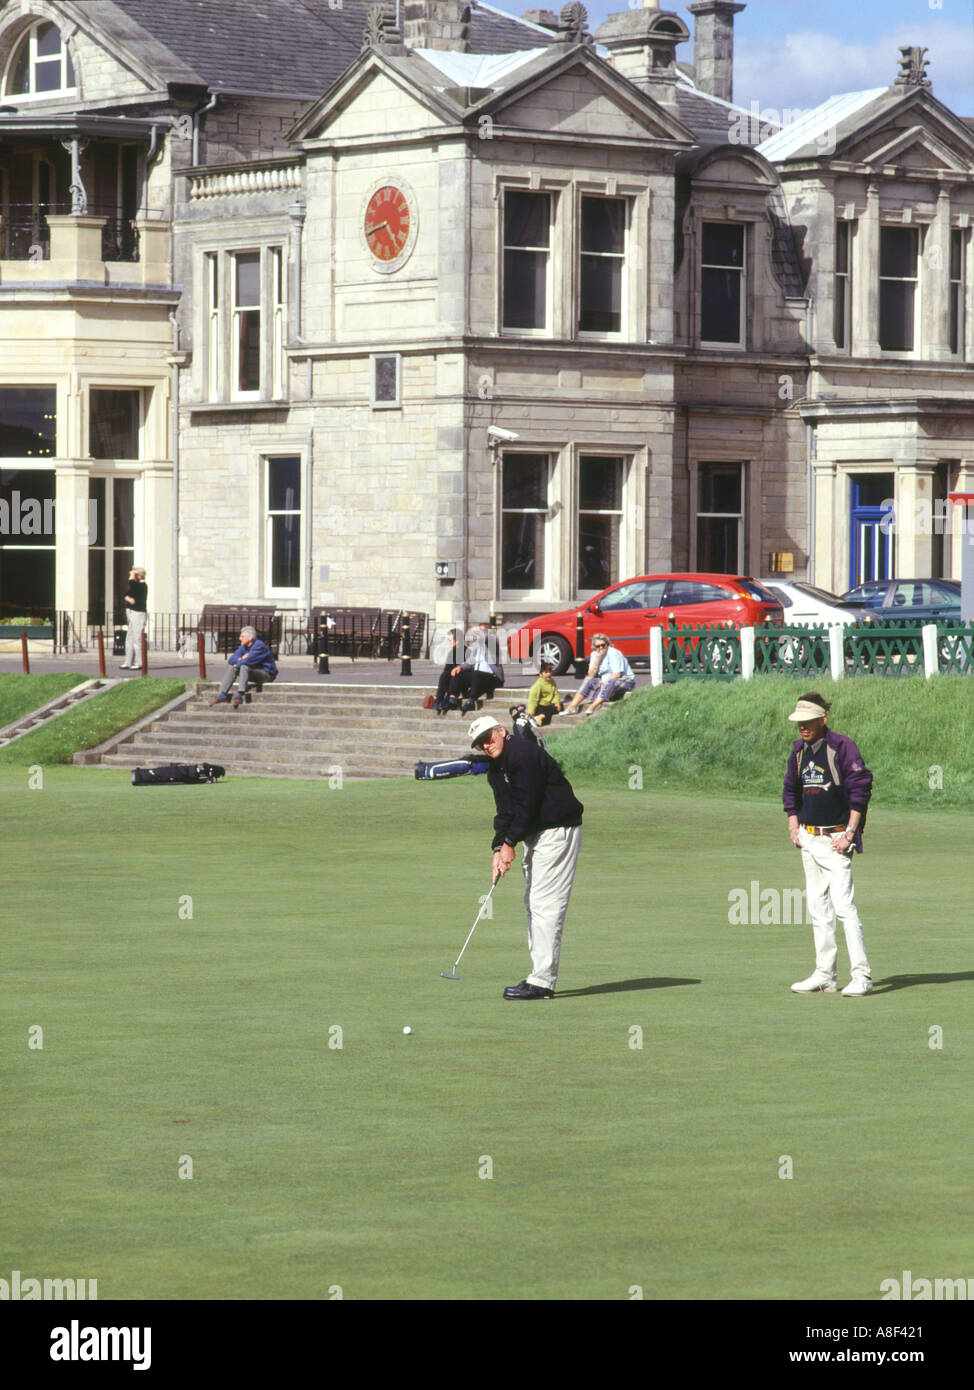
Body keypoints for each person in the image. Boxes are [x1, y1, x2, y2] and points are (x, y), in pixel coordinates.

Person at [469, 714, 583, 1000]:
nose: (485, 745)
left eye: (487, 738)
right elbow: (505, 812)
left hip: (557, 830)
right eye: (479, 743)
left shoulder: (522, 753)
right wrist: (498, 847)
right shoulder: (495, 770)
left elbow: (527, 803)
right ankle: (539, 975)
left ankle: (543, 981)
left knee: (545, 903)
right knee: (533, 902)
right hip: (537, 834)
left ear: (500, 731)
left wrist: (510, 842)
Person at [782, 693, 873, 997]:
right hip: (809, 838)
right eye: (799, 723)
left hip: (836, 839)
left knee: (845, 908)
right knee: (818, 909)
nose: (803, 728)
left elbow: (861, 788)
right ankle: (825, 975)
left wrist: (850, 832)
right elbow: (790, 789)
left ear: (823, 720)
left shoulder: (842, 747)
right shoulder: (798, 751)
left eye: (808, 722)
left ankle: (861, 976)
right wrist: (793, 824)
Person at [561, 633, 634, 716]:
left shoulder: (614, 653)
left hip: (624, 680)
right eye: (598, 646)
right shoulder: (594, 654)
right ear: (594, 647)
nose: (601, 648)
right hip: (605, 681)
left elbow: (617, 674)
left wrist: (604, 683)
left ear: (607, 644)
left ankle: (592, 706)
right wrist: (598, 658)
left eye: (603, 645)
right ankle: (572, 707)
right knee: (588, 679)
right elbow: (591, 674)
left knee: (611, 682)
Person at [209, 626, 278, 708]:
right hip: (253, 672)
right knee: (232, 667)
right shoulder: (243, 646)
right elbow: (231, 660)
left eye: (242, 636)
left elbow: (249, 661)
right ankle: (222, 695)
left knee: (244, 665)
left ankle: (240, 695)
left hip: (267, 674)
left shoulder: (259, 646)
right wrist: (241, 658)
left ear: (250, 638)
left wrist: (240, 661)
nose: (239, 638)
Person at [120, 567, 147, 671]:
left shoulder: (142, 585)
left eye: (135, 575)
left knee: (137, 638)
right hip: (131, 612)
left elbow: (131, 582)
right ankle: (128, 662)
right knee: (129, 637)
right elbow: (126, 595)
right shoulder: (136, 587)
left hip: (138, 613)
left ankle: (139, 662)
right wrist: (128, 598)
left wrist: (133, 574)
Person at [526, 661, 561, 726]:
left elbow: (556, 694)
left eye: (550, 672)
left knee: (556, 708)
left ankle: (539, 717)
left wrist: (557, 703)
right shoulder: (538, 684)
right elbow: (533, 699)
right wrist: (531, 711)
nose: (549, 674)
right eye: (546, 672)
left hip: (549, 705)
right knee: (545, 711)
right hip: (541, 706)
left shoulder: (552, 682)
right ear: (540, 674)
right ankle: (537, 717)